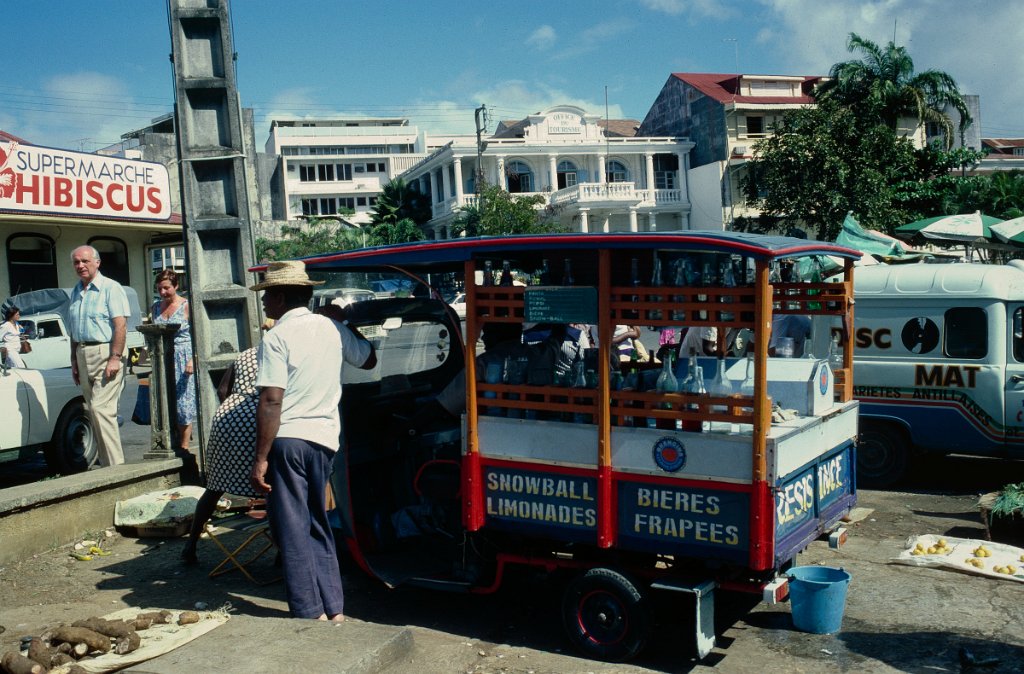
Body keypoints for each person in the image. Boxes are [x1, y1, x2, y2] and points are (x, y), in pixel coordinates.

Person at [249, 260, 376, 621]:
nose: (263, 304)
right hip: (324, 440)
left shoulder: (275, 337)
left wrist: (260, 458)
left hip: (289, 439)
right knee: (318, 522)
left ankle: (308, 611)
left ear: (280, 297)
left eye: (266, 296)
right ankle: (333, 608)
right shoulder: (332, 328)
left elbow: (272, 400)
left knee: (291, 528)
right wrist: (343, 322)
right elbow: (368, 359)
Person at [181, 322, 272, 565]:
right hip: (255, 415)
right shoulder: (279, 353)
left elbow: (223, 390)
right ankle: (284, 552)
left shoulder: (245, 354)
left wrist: (234, 409)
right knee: (270, 485)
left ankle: (190, 546)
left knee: (215, 486)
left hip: (226, 415)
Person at [69, 245, 131, 467]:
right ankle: (106, 465)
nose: (80, 266)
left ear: (97, 262)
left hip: (106, 351)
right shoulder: (76, 291)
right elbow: (74, 329)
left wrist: (115, 357)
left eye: (85, 261)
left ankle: (116, 469)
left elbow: (120, 326)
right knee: (93, 411)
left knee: (101, 409)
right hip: (83, 352)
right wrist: (74, 360)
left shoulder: (110, 288)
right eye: (76, 262)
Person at [151, 269, 198, 477]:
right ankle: (169, 443)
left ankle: (185, 446)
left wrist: (193, 358)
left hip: (183, 356)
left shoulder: (186, 306)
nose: (163, 292)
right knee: (165, 404)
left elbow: (198, 334)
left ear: (176, 286)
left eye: (167, 288)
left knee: (183, 405)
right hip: (164, 357)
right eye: (160, 288)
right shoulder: (155, 307)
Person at [1, 303, 26, 368]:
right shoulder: (6, 325)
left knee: (12, 369)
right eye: (17, 314)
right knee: (21, 367)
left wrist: (21, 336)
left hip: (17, 349)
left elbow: (16, 334)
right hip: (10, 350)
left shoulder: (17, 324)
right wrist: (2, 349)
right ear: (11, 316)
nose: (19, 316)